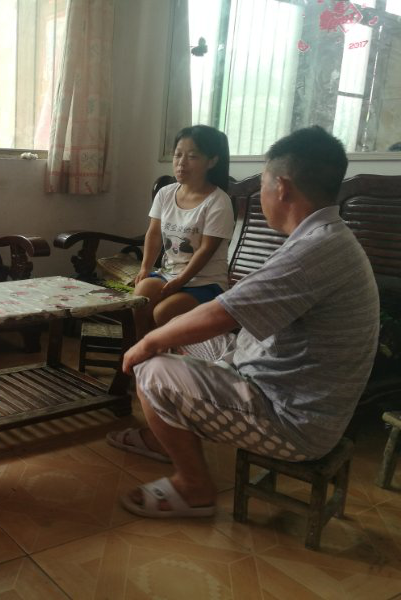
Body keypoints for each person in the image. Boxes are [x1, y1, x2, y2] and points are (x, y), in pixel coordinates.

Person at [109, 126, 379, 518]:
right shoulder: (325, 236)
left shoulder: (316, 249)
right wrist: (164, 336)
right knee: (180, 336)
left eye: (264, 182)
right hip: (275, 378)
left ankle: (194, 487)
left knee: (151, 370)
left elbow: (222, 313)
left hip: (293, 419)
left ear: (281, 187)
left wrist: (146, 343)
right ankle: (161, 437)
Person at [106, 125, 234, 455]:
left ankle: (161, 378)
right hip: (168, 273)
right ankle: (141, 365)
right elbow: (152, 234)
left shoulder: (218, 201)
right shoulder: (166, 193)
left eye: (192, 156)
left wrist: (180, 280)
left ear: (212, 160)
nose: (181, 163)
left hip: (205, 281)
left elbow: (205, 251)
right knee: (139, 298)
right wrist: (146, 268)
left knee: (163, 312)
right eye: (178, 155)